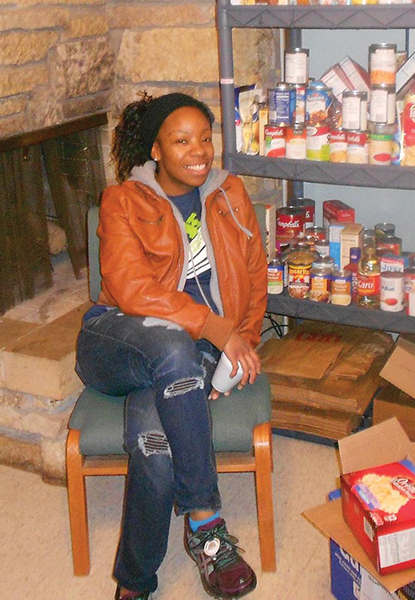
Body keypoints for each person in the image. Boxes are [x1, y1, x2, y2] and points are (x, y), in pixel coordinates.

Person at [75, 92, 268, 600]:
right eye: (181, 141)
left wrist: (241, 345)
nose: (198, 150)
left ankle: (134, 583)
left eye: (204, 138)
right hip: (116, 339)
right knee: (172, 346)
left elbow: (255, 275)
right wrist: (216, 329)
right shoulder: (122, 201)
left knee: (155, 446)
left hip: (189, 356)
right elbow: (132, 289)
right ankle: (205, 522)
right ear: (156, 150)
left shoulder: (230, 193)